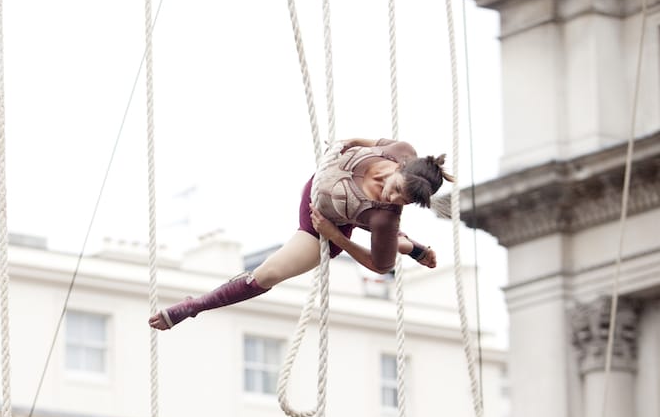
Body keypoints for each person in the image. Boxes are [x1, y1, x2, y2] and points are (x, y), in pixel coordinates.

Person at [148, 137, 454, 330]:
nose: (394, 199)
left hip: (321, 225)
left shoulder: (386, 216)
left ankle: (192, 307)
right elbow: (371, 141)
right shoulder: (399, 151)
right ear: (400, 166)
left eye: (404, 202)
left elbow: (379, 266)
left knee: (266, 275)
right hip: (318, 193)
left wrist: (335, 237)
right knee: (385, 232)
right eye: (397, 189)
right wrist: (346, 144)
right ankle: (408, 244)